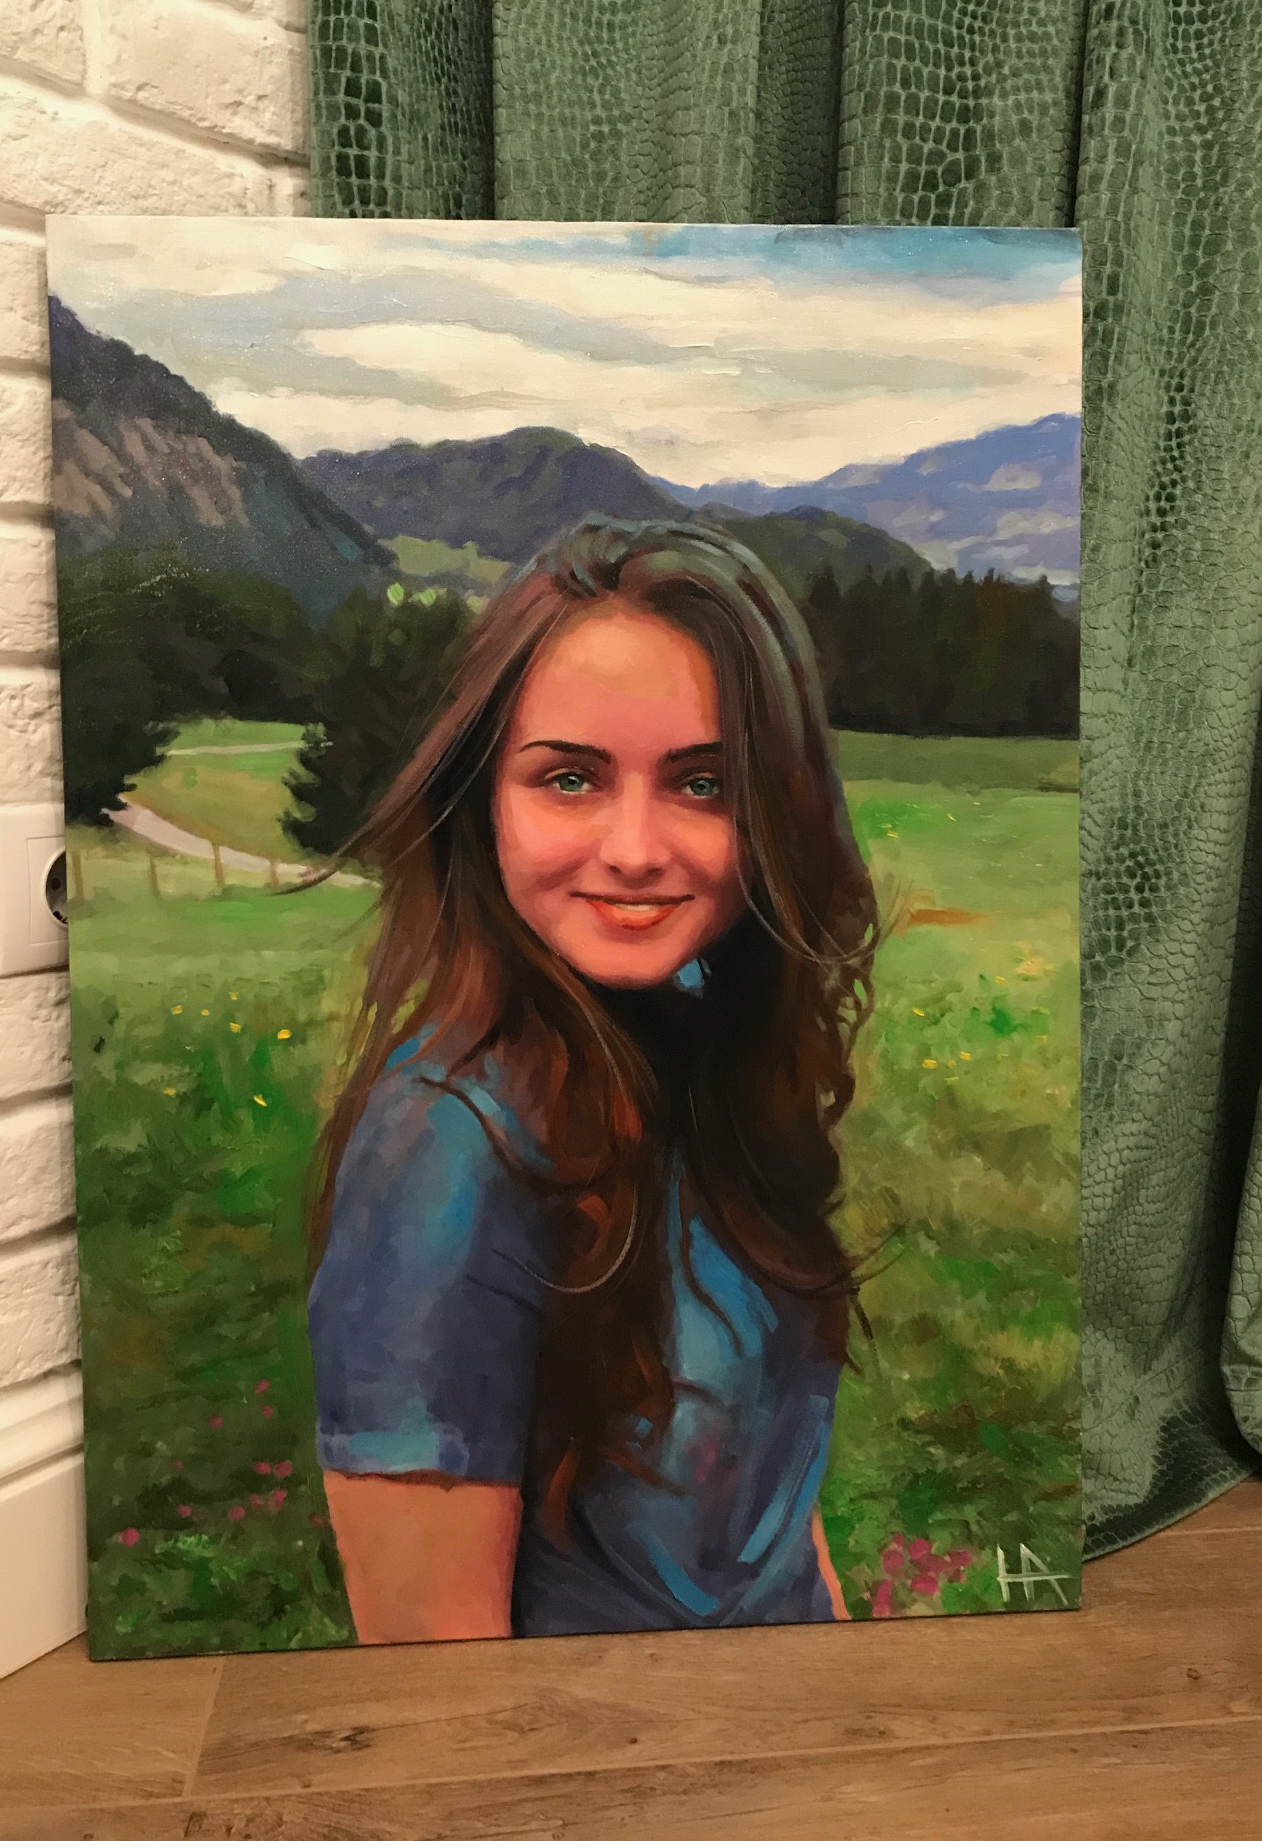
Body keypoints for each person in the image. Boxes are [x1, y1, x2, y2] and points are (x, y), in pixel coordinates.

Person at [307, 516, 878, 1642]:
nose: (633, 849)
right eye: (569, 779)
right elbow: (436, 1672)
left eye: (703, 784)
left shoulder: (700, 1049)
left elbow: (775, 1519)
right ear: (483, 799)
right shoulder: (448, 1150)